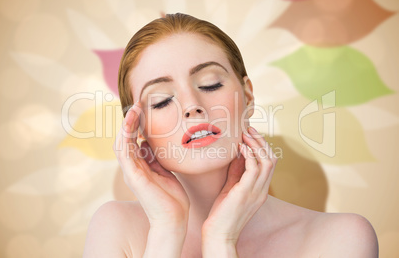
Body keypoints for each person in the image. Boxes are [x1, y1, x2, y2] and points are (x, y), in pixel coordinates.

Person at [83, 13, 378, 257]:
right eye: (160, 100)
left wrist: (221, 241)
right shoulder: (114, 229)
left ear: (247, 96)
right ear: (137, 129)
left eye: (210, 84)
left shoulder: (341, 238)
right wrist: (166, 229)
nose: (192, 107)